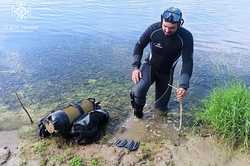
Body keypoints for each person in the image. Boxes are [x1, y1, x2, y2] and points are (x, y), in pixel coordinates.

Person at [130, 7, 193, 119]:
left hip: (166, 74)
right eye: (165, 26)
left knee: (161, 109)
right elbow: (139, 46)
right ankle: (137, 118)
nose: (167, 30)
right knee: (139, 91)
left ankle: (157, 124)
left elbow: (187, 62)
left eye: (172, 28)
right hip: (149, 67)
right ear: (161, 21)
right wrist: (135, 67)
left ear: (179, 24)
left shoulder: (186, 37)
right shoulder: (154, 29)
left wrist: (183, 85)